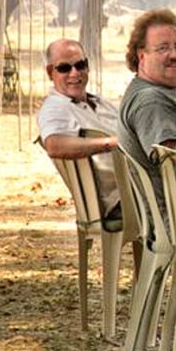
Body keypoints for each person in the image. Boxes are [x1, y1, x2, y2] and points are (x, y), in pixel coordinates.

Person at [38, 38, 121, 232]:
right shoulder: (56, 107)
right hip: (117, 200)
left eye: (80, 65)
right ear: (51, 72)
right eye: (64, 68)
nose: (74, 73)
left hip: (136, 186)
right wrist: (109, 143)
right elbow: (54, 145)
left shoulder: (98, 101)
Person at [117, 9, 176, 213]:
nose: (174, 55)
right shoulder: (152, 102)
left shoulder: (160, 91)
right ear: (142, 56)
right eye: (163, 48)